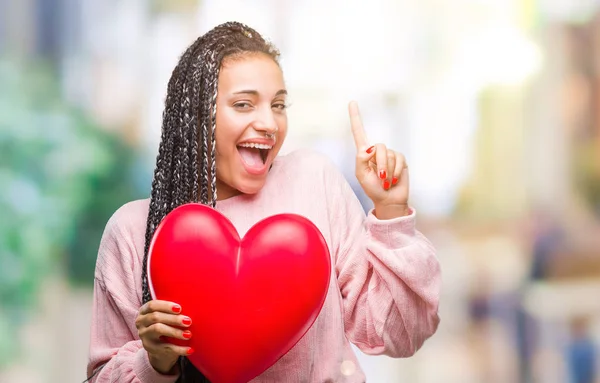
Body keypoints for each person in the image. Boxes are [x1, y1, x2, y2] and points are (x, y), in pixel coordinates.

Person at [86, 21, 441, 383]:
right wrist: (156, 362)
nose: (269, 122)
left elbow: (400, 334)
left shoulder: (313, 181)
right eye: (244, 104)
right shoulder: (134, 230)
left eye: (279, 105)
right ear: (194, 115)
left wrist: (391, 211)